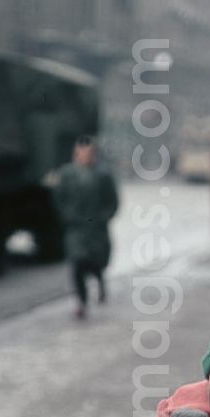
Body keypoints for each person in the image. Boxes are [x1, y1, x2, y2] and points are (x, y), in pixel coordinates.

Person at [53, 135, 119, 320]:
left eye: (89, 153)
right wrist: (67, 216)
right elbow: (59, 198)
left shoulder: (103, 175)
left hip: (96, 228)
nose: (85, 156)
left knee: (96, 261)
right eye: (81, 153)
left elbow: (112, 202)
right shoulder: (66, 174)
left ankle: (100, 282)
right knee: (77, 262)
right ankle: (81, 302)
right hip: (76, 228)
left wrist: (103, 217)